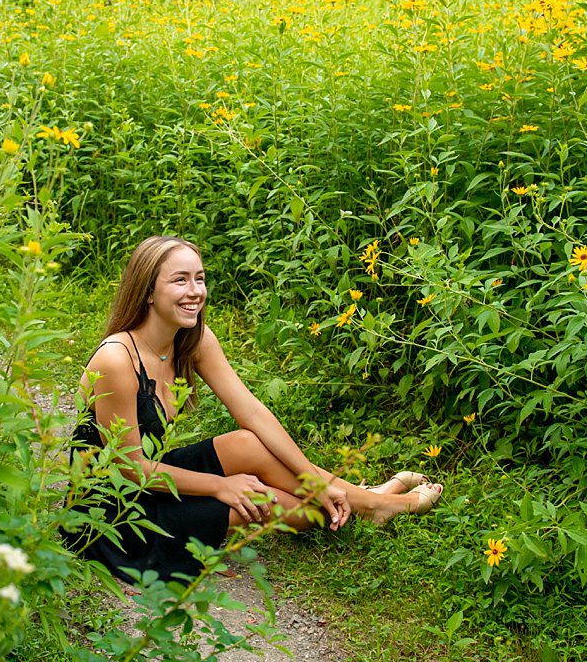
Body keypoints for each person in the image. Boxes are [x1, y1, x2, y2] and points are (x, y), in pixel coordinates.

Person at [67, 236, 440, 583]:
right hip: (114, 512)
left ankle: (370, 501)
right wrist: (220, 485)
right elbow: (129, 470)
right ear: (148, 291)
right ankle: (372, 503)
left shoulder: (193, 339)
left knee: (248, 442)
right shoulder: (117, 360)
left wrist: (310, 477)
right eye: (179, 280)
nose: (195, 292)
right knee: (287, 508)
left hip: (153, 479)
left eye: (199, 278)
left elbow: (253, 414)